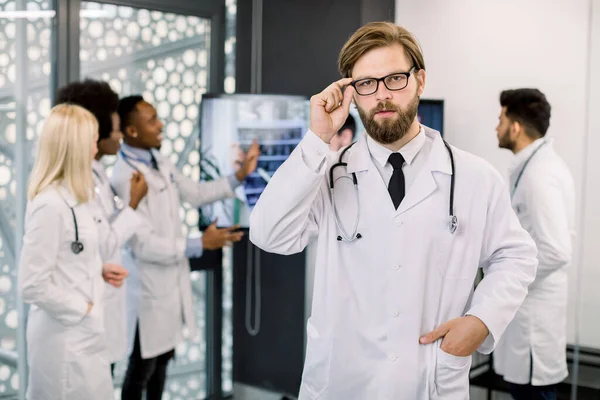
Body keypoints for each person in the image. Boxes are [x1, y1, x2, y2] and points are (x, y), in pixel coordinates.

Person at [249, 22, 538, 400]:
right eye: (366, 84)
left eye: (395, 79)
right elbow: (269, 235)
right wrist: (316, 139)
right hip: (343, 382)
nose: (382, 96)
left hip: (430, 380)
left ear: (420, 81)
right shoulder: (328, 172)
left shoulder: (474, 177)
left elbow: (515, 256)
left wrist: (481, 320)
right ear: (351, 93)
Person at [111, 95, 260, 399]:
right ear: (132, 131)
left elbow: (196, 193)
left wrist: (239, 176)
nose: (160, 124)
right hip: (146, 294)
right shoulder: (123, 177)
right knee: (141, 370)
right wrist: (199, 242)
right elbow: (143, 245)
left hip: (167, 289)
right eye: (151, 120)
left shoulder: (159, 162)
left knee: (161, 364)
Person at [18, 104, 128, 400]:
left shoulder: (77, 197)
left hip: (84, 339)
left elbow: (69, 255)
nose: (96, 149)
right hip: (63, 340)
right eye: (92, 141)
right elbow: (31, 285)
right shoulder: (50, 205)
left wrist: (98, 269)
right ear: (75, 147)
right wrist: (84, 310)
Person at [55, 79, 149, 374]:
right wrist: (133, 204)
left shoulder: (96, 175)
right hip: (87, 311)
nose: (120, 135)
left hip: (102, 302)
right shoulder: (77, 182)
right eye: (117, 127)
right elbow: (105, 243)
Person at [493, 88, 575, 400]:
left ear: (515, 127)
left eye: (500, 119)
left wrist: (508, 279)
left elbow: (556, 251)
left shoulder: (539, 174)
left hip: (534, 322)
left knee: (533, 393)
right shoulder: (533, 167)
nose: (496, 127)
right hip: (529, 315)